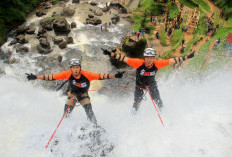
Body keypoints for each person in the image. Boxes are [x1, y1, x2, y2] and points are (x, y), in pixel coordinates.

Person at [26, 58, 125, 125]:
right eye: (73, 68)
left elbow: (101, 76)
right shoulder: (68, 74)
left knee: (89, 110)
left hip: (83, 94)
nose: (76, 70)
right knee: (66, 112)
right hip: (72, 94)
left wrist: (115, 75)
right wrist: (35, 77)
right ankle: (66, 125)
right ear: (71, 69)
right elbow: (52, 77)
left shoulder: (87, 74)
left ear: (80, 68)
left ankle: (95, 126)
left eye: (77, 67)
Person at [102, 48, 195, 112]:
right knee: (137, 102)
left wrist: (187, 57)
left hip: (152, 85)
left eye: (151, 58)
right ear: (144, 58)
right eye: (147, 58)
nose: (149, 60)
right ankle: (133, 115)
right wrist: (110, 53)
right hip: (139, 86)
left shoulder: (157, 64)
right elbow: (124, 58)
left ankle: (163, 112)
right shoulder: (138, 63)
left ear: (153, 58)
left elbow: (172, 60)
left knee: (158, 100)